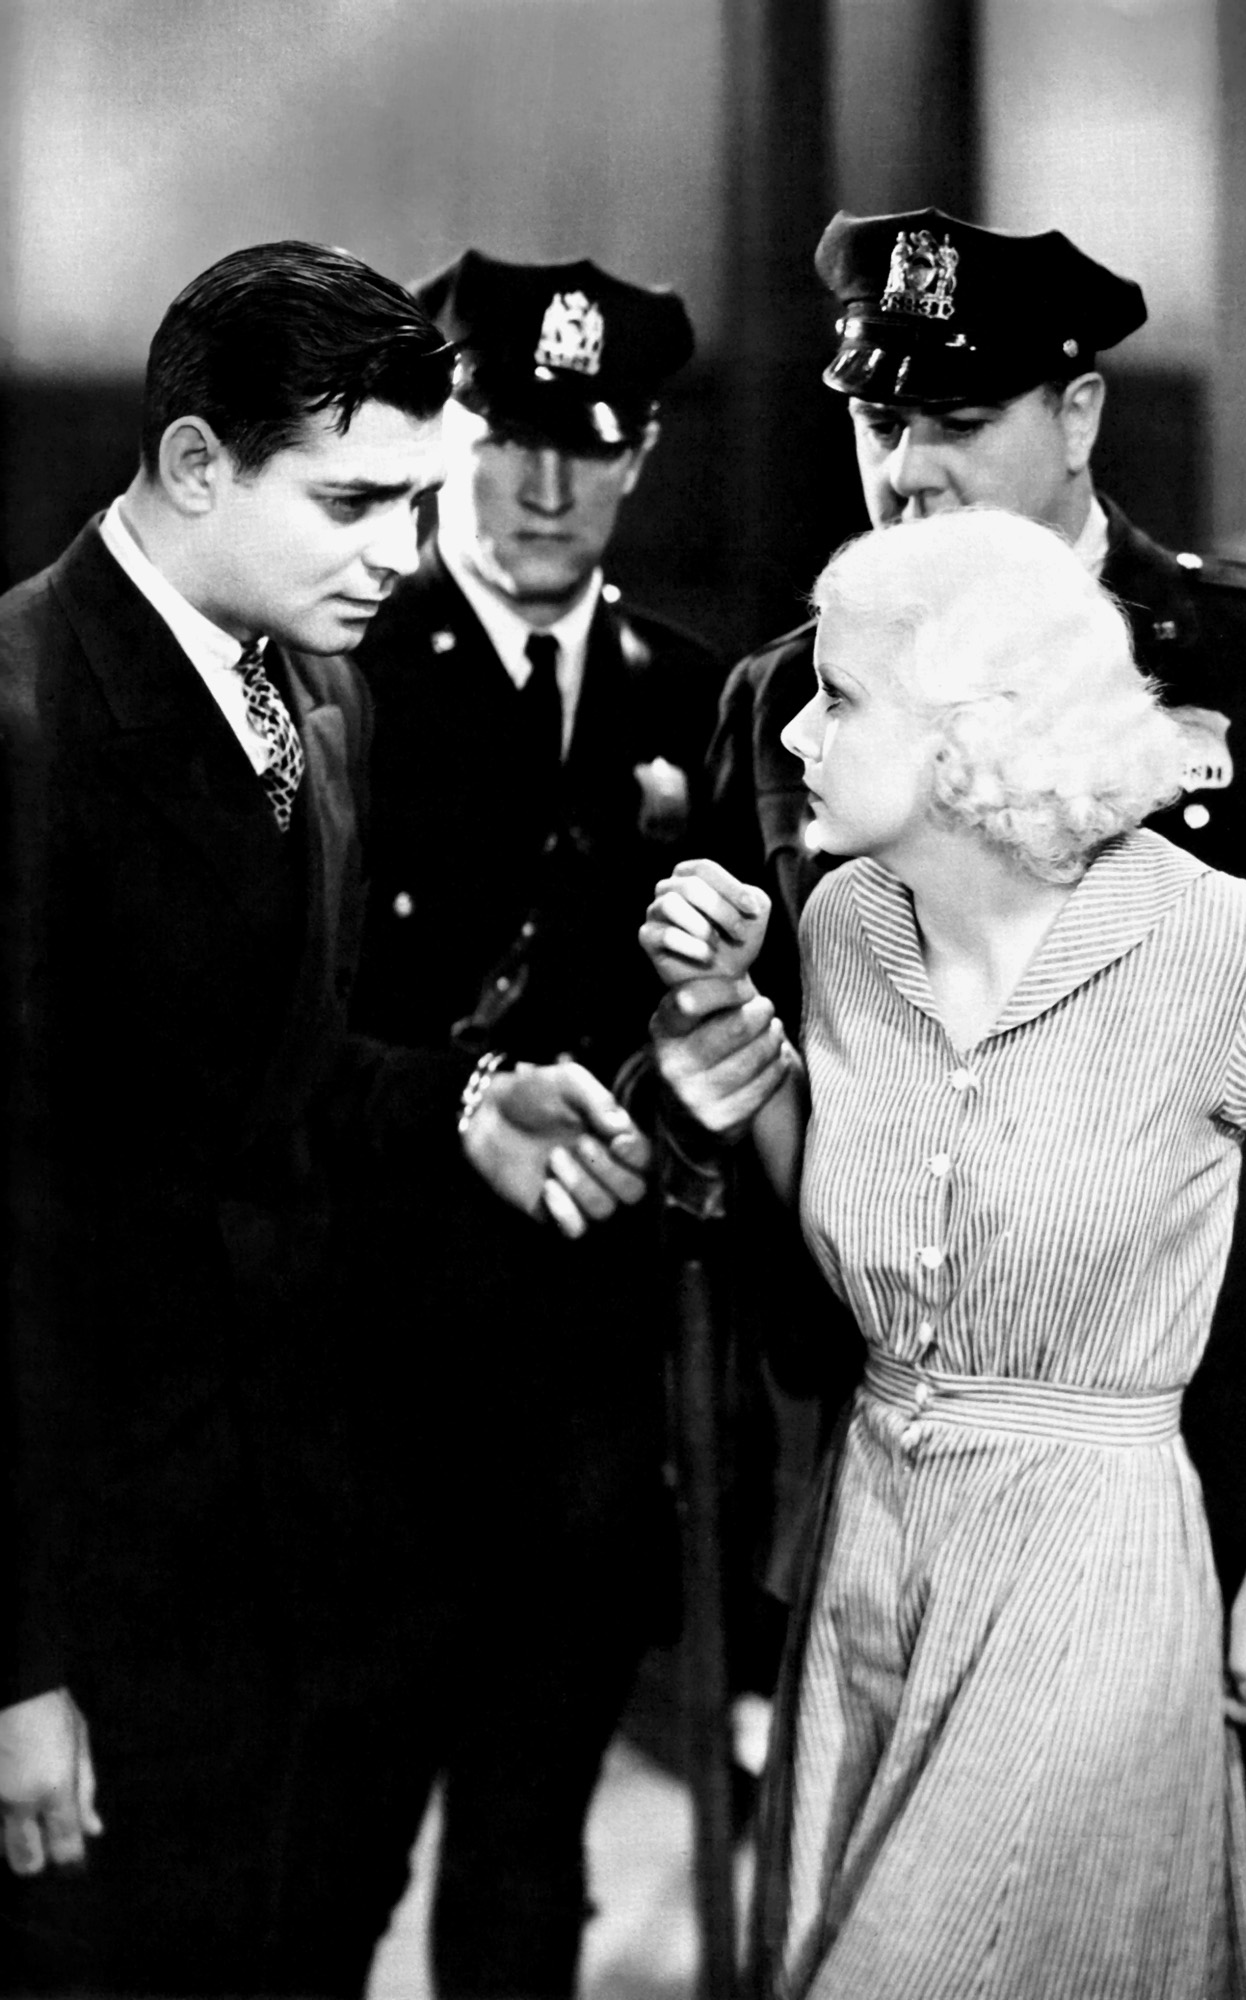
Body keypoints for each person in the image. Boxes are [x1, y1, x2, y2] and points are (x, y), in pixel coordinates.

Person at [666, 205, 1246, 1994]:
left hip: (1185, 1455)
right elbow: (795, 1098)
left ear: (1080, 413)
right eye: (880, 420)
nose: (909, 467)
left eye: (958, 417)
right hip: (884, 1460)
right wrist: (707, 1048)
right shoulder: (800, 718)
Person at [0, 240, 651, 1998]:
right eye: (353, 503)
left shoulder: (320, 694)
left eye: (416, 503)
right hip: (93, 1585)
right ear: (196, 463)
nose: (397, 553)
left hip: (282, 1553)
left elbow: (269, 1073)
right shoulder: (27, 721)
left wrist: (465, 1105)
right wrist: (19, 1664)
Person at [339, 248, 724, 1999]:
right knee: (322, 1871)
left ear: (640, 454)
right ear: (447, 443)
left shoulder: (690, 698)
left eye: (589, 444)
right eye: (506, 439)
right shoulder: (338, 670)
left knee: (525, 1872)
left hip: (583, 1402)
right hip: (365, 1395)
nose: (546, 487)